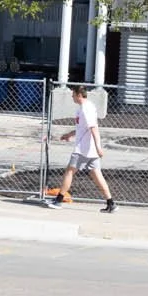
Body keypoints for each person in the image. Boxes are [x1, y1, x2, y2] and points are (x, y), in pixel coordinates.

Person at [49, 84, 115, 212]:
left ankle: (58, 200)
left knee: (69, 171)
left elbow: (93, 128)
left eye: (73, 95)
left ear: (79, 95)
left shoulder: (86, 108)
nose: (72, 97)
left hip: (84, 149)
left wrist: (98, 147)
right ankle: (111, 203)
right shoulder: (85, 107)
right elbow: (82, 128)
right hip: (88, 149)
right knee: (97, 175)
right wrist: (70, 134)